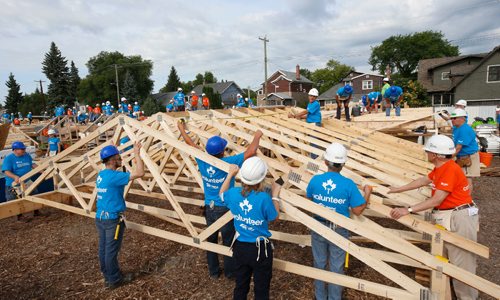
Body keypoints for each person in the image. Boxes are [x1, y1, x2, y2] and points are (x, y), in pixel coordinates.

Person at [388, 134, 478, 300]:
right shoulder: (442, 167)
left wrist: (408, 209)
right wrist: (398, 189)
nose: (426, 153)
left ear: (436, 155)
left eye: (428, 151)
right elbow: (423, 180)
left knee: (462, 265)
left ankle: (468, 298)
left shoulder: (449, 169)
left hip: (459, 216)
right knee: (450, 260)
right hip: (452, 214)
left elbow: (437, 199)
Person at [177, 120, 263, 280]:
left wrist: (182, 129)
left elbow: (190, 144)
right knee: (229, 240)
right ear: (222, 152)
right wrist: (257, 136)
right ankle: (230, 273)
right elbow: (250, 152)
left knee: (211, 239)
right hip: (224, 207)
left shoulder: (202, 159)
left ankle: (214, 272)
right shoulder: (228, 162)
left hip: (209, 207)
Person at [306, 143, 371, 300]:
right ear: (343, 164)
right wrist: (367, 193)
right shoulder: (348, 184)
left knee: (319, 264)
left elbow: (309, 200)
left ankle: (320, 297)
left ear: (325, 162)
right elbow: (358, 209)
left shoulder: (315, 180)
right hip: (339, 230)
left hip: (318, 226)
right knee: (336, 267)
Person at [219, 158, 280, 300]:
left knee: (240, 285)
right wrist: (275, 195)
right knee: (261, 289)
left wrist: (230, 175)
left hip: (240, 247)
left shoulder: (234, 193)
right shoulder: (264, 198)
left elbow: (221, 194)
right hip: (260, 250)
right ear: (261, 179)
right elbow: (274, 217)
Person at [95, 143, 145, 289]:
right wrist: (136, 153)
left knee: (104, 249)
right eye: (118, 157)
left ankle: (108, 275)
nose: (120, 159)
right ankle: (114, 280)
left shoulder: (102, 174)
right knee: (111, 251)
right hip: (112, 220)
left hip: (101, 218)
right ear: (111, 160)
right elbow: (140, 173)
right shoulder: (114, 176)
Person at [2, 141, 40, 220]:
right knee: (14, 199)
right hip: (14, 183)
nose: (24, 150)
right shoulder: (9, 158)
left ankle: (36, 211)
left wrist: (41, 170)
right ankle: (19, 216)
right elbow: (6, 171)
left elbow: (32, 164)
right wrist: (15, 176)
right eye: (22, 149)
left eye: (24, 148)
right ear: (15, 150)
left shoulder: (26, 155)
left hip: (26, 181)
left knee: (34, 195)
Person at [450, 109, 480, 193]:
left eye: (454, 118)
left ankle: (467, 200)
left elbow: (458, 147)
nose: (452, 120)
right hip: (461, 156)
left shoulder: (465, 129)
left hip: (468, 157)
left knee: (467, 179)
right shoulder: (457, 128)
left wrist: (448, 158)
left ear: (462, 118)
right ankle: (462, 196)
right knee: (460, 178)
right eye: (451, 118)